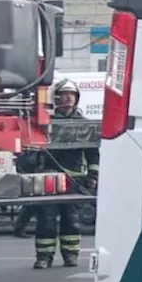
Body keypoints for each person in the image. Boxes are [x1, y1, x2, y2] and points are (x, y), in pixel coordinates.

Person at [32, 79, 99, 269]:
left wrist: (92, 176)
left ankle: (70, 255)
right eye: (64, 94)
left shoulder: (84, 124)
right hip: (48, 179)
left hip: (74, 179)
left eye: (72, 94)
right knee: (46, 219)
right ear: (57, 98)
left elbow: (93, 153)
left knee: (71, 219)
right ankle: (44, 257)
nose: (68, 97)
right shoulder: (46, 123)